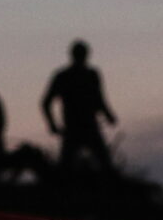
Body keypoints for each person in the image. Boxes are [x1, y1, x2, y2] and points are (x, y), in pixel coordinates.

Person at [40, 40, 117, 173]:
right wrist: (52, 124)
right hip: (74, 128)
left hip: (88, 127)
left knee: (105, 166)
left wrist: (108, 115)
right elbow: (46, 102)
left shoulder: (90, 75)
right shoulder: (65, 76)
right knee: (66, 169)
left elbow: (99, 99)